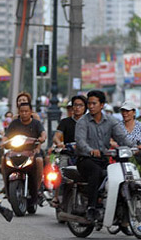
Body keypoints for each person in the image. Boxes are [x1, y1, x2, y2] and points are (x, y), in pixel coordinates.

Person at [75, 90, 136, 222]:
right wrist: (91, 150)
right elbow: (80, 142)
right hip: (85, 160)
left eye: (94, 103)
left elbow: (122, 138)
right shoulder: (82, 122)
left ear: (102, 105)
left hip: (103, 159)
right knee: (96, 172)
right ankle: (92, 207)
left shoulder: (111, 121)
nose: (91, 106)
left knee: (119, 175)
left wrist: (134, 146)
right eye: (89, 103)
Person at [3, 103, 46, 206]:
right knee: (3, 159)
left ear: (31, 112)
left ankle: (38, 188)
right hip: (16, 151)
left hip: (32, 151)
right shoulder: (14, 123)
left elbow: (43, 134)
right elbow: (6, 136)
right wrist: (3, 142)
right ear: (19, 112)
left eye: (26, 111)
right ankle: (6, 186)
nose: (24, 113)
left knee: (39, 160)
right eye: (22, 111)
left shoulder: (36, 123)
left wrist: (41, 139)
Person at [50, 95, 87, 207]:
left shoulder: (89, 122)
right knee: (61, 173)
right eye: (75, 105)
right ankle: (57, 197)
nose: (77, 108)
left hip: (85, 155)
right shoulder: (65, 122)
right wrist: (60, 143)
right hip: (68, 154)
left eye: (80, 105)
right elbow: (56, 136)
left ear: (85, 107)